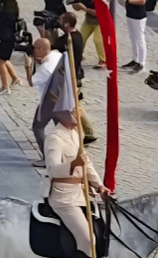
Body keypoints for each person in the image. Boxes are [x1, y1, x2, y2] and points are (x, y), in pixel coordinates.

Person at [44, 110, 109, 258]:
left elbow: (87, 164)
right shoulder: (54, 138)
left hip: (82, 193)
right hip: (64, 197)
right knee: (88, 240)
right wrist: (73, 165)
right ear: (62, 116)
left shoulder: (76, 134)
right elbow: (52, 170)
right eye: (72, 112)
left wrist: (99, 185)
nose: (77, 115)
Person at [54, 12, 96, 142]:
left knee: (72, 108)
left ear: (66, 24)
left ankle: (77, 136)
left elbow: (52, 47)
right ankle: (89, 133)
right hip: (75, 75)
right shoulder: (77, 35)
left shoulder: (69, 39)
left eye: (61, 20)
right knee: (76, 106)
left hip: (70, 77)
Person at [30, 38, 62, 156]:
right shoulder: (56, 55)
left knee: (38, 127)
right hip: (61, 98)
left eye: (35, 48)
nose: (33, 51)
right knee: (61, 128)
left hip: (49, 100)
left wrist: (28, 67)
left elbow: (31, 82)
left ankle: (47, 156)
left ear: (41, 49)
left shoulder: (45, 68)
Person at [0, 0, 24, 93]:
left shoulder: (4, 11)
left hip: (6, 38)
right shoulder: (13, 8)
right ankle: (15, 78)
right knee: (4, 59)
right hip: (11, 38)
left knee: (1, 61)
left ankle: (5, 86)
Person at [69, 0, 107, 69]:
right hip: (89, 19)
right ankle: (78, 54)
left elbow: (98, 13)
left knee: (98, 40)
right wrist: (74, 4)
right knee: (81, 37)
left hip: (100, 20)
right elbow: (78, 8)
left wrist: (84, 8)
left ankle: (103, 60)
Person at [121, 0, 151, 72]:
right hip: (130, 13)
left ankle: (141, 62)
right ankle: (135, 59)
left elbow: (142, 0)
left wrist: (127, 1)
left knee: (139, 38)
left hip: (138, 15)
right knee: (133, 37)